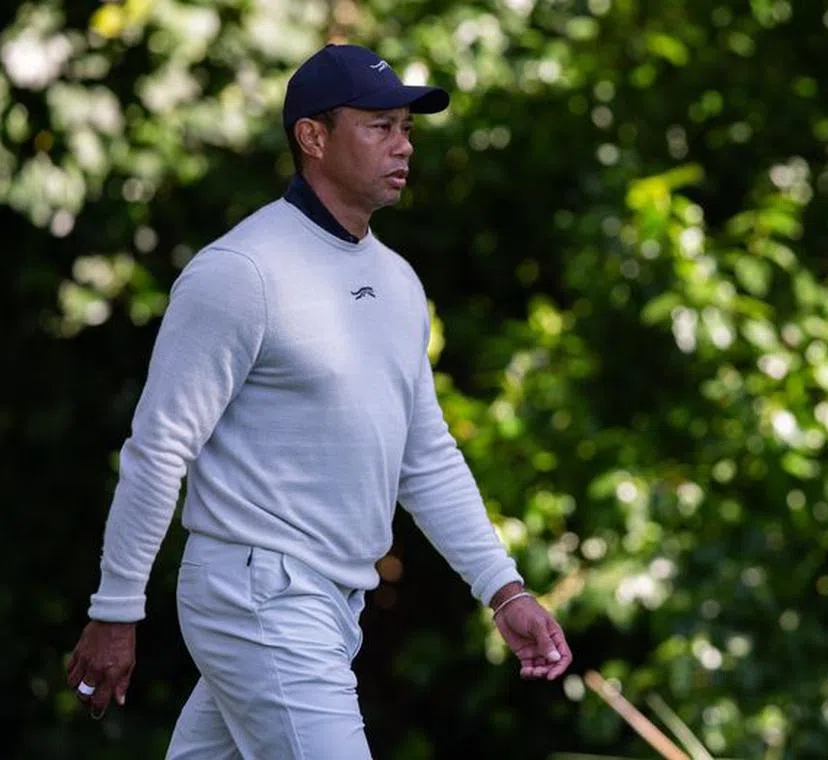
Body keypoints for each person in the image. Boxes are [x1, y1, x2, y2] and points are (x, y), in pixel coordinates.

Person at [65, 42, 572, 759]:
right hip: (259, 592)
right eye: (380, 126)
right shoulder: (242, 273)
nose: (403, 146)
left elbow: (424, 455)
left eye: (407, 128)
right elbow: (159, 448)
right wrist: (116, 609)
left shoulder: (396, 283)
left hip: (330, 602)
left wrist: (505, 590)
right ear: (312, 136)